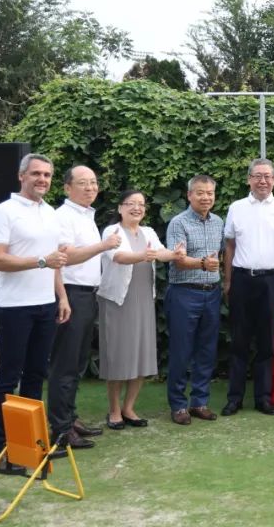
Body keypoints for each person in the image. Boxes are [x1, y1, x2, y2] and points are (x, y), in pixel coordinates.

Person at [0, 154, 71, 476]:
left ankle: (30, 447)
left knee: (35, 377)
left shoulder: (50, 213)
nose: (42, 179)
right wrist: (40, 261)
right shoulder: (4, 211)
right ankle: (2, 450)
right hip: (14, 307)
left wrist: (61, 296)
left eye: (47, 174)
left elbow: (56, 260)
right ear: (21, 176)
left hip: (45, 305)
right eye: (36, 173)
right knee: (9, 378)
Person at [47, 165, 121, 449]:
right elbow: (66, 257)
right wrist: (104, 245)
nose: (90, 188)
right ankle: (61, 429)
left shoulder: (86, 215)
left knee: (77, 363)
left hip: (88, 295)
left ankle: (70, 418)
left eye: (93, 182)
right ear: (67, 187)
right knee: (65, 365)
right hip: (70, 294)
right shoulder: (63, 216)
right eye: (83, 183)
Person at [221, 158, 274, 417]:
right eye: (257, 176)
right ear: (249, 179)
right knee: (239, 340)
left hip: (272, 280)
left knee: (267, 341)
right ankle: (234, 398)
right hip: (242, 279)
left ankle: (263, 397)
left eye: (268, 176)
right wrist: (228, 280)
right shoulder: (236, 208)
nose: (262, 181)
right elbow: (230, 246)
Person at [97, 190, 184, 429]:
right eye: (131, 204)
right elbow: (118, 257)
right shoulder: (112, 231)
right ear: (120, 208)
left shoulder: (149, 232)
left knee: (141, 354)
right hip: (118, 300)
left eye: (141, 204)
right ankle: (114, 411)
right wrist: (142, 255)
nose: (137, 208)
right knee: (118, 356)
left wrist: (174, 254)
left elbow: (160, 252)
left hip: (144, 298)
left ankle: (129, 408)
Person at [165, 175, 225, 426]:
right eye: (200, 193)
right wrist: (202, 263)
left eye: (210, 193)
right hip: (184, 292)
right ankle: (178, 405)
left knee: (207, 350)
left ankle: (199, 402)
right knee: (181, 350)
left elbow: (223, 254)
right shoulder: (178, 223)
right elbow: (177, 259)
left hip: (212, 292)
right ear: (189, 195)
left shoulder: (218, 222)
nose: (206, 197)